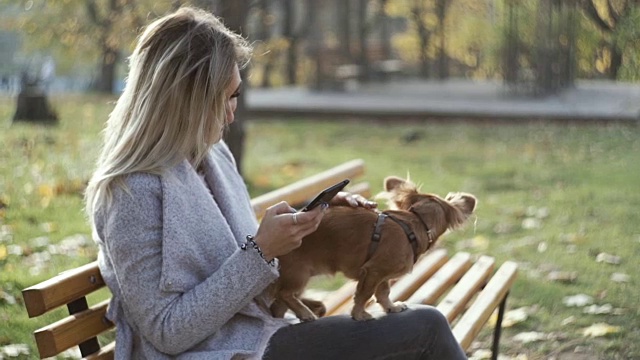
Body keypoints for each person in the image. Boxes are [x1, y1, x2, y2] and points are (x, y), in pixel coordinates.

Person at [85, 6, 467, 360]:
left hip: (258, 331)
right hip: (224, 351)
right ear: (185, 100)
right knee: (426, 328)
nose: (233, 112)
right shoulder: (131, 193)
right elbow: (167, 332)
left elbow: (237, 258)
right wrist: (262, 250)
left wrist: (319, 220)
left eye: (236, 95)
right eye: (225, 99)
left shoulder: (210, 157)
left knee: (422, 327)